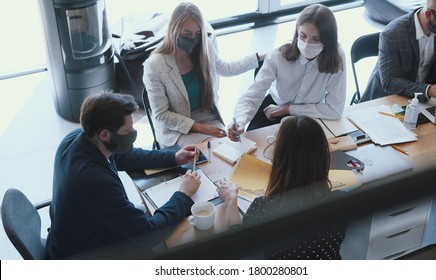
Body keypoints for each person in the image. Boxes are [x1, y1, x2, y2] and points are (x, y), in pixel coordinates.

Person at [46, 92, 201, 259]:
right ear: (104, 134)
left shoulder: (77, 138)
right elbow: (149, 236)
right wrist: (183, 194)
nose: (133, 132)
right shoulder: (96, 181)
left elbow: (121, 156)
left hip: (72, 234)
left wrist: (173, 157)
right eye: (128, 129)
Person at [217, 116, 347, 260]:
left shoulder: (265, 208)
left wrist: (231, 200)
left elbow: (238, 243)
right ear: (323, 156)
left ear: (280, 157)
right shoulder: (342, 201)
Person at [143, 2, 265, 148]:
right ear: (173, 30)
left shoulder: (203, 46)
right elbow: (162, 114)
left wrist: (261, 57)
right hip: (176, 131)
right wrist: (202, 129)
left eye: (197, 34)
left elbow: (227, 69)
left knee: (230, 149)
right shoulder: (155, 65)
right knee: (213, 152)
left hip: (208, 117)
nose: (193, 39)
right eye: (187, 34)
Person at [228, 4, 346, 138]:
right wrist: (240, 120)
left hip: (311, 115)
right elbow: (253, 94)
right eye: (303, 36)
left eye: (316, 39)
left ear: (328, 39)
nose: (307, 44)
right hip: (273, 109)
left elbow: (335, 110)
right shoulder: (278, 56)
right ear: (297, 32)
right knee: (252, 147)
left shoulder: (337, 57)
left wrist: (289, 109)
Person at [360, 0, 436, 103]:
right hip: (386, 101)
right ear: (428, 14)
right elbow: (390, 82)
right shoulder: (392, 34)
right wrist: (429, 90)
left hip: (423, 102)